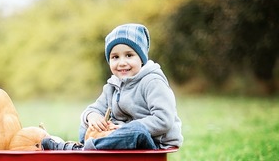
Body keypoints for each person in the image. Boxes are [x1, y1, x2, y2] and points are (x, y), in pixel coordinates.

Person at [41, 23, 183, 150]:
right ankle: (85, 147)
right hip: (120, 137)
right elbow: (94, 108)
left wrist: (123, 129)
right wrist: (93, 117)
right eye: (115, 57)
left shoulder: (152, 82)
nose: (121, 62)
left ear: (142, 58)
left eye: (129, 55)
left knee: (136, 131)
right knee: (87, 125)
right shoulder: (113, 85)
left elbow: (164, 119)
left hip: (153, 142)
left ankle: (80, 150)